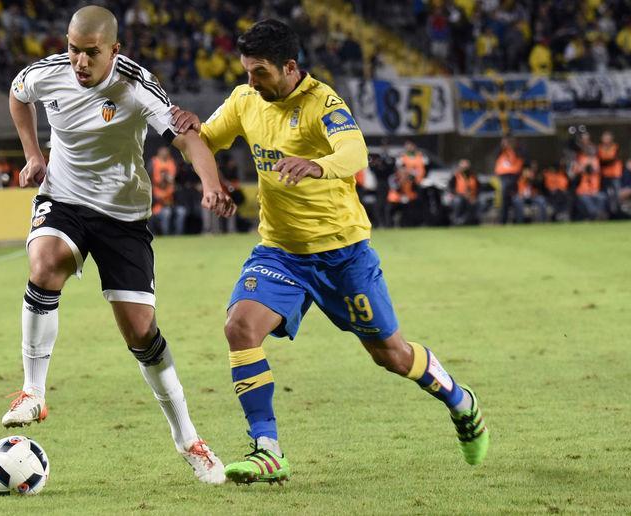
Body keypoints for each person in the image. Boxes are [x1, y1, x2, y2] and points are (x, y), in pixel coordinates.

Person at [171, 19, 488, 485]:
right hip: (280, 252)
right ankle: (267, 449)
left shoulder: (323, 102)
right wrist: (190, 135)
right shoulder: (244, 100)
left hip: (343, 254)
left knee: (392, 355)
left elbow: (355, 153)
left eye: (259, 72)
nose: (250, 82)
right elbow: (203, 140)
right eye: (246, 71)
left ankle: (461, 402)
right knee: (239, 327)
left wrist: (315, 166)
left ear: (289, 67)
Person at [1, 5, 236, 485]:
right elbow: (17, 94)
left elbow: (186, 137)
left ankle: (188, 438)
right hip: (62, 199)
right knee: (45, 265)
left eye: (91, 53)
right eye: (73, 50)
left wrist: (210, 183)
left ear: (115, 50)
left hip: (123, 215)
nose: (80, 62)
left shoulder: (136, 86)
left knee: (141, 334)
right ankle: (32, 392)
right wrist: (33, 153)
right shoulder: (48, 74)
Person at [494, 137, 523, 224]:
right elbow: (496, 154)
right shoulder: (501, 151)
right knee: (505, 198)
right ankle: (503, 220)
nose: (507, 143)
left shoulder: (517, 151)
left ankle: (518, 220)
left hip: (514, 177)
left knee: (516, 199)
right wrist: (502, 145)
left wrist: (514, 146)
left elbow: (524, 157)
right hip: (503, 177)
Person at [150, 146, 177, 235]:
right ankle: (165, 236)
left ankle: (177, 235)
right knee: (166, 213)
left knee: (181, 212)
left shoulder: (171, 163)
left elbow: (173, 181)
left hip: (170, 203)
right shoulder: (153, 163)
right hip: (157, 206)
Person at [597, 131, 623, 217]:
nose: (606, 139)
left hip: (615, 174)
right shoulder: (600, 148)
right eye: (604, 137)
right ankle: (606, 213)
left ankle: (617, 213)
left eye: (608, 137)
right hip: (605, 175)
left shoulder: (615, 146)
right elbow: (600, 160)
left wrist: (603, 161)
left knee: (616, 194)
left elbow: (612, 159)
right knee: (604, 195)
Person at [448, 159, 480, 225]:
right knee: (458, 201)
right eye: (463, 167)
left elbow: (479, 188)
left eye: (466, 167)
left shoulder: (473, 176)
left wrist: (474, 197)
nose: (465, 169)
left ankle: (473, 221)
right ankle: (456, 220)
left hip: (471, 197)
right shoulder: (455, 176)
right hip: (459, 196)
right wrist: (461, 194)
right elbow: (450, 188)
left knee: (478, 203)